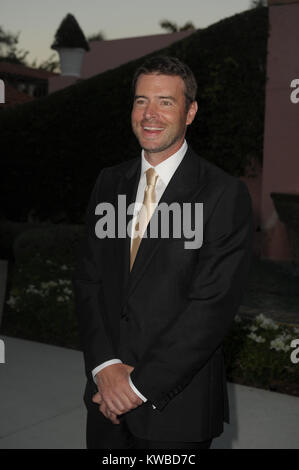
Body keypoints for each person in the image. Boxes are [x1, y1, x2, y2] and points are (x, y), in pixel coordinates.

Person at [73, 55, 254, 449]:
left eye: (165, 102)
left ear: (190, 112)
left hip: (176, 411)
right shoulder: (109, 182)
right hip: (105, 402)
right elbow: (89, 280)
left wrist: (135, 387)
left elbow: (210, 309)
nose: (149, 114)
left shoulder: (224, 194)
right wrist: (105, 367)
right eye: (141, 101)